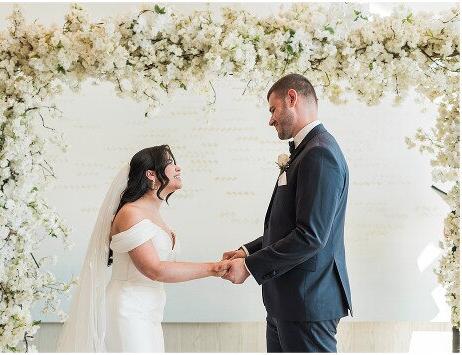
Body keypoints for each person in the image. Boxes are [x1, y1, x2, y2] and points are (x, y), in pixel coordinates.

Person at [221, 73, 353, 352]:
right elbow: (290, 226)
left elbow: (310, 237)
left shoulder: (320, 153)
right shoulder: (307, 150)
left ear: (292, 98)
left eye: (273, 109)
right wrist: (247, 251)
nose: (270, 120)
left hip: (307, 304)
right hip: (289, 302)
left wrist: (249, 266)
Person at [57, 144, 227, 352]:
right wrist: (212, 268)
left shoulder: (154, 214)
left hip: (150, 312)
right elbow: (153, 269)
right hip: (128, 312)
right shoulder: (132, 213)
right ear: (151, 174)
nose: (178, 168)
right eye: (171, 163)